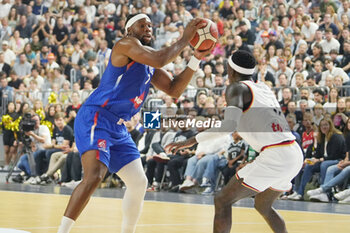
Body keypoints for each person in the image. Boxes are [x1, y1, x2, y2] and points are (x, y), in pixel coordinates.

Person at [57, 14, 212, 233]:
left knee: (139, 183)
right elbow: (160, 58)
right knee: (94, 176)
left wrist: (195, 58)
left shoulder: (149, 63)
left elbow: (175, 90)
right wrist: (185, 38)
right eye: (143, 25)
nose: (148, 28)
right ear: (130, 30)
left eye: (150, 25)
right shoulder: (125, 44)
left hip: (118, 126)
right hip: (97, 116)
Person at [165, 50, 303, 233]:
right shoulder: (262, 88)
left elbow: (229, 125)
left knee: (222, 199)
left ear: (230, 69)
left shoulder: (236, 88)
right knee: (263, 206)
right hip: (293, 152)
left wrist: (192, 140)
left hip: (276, 154)